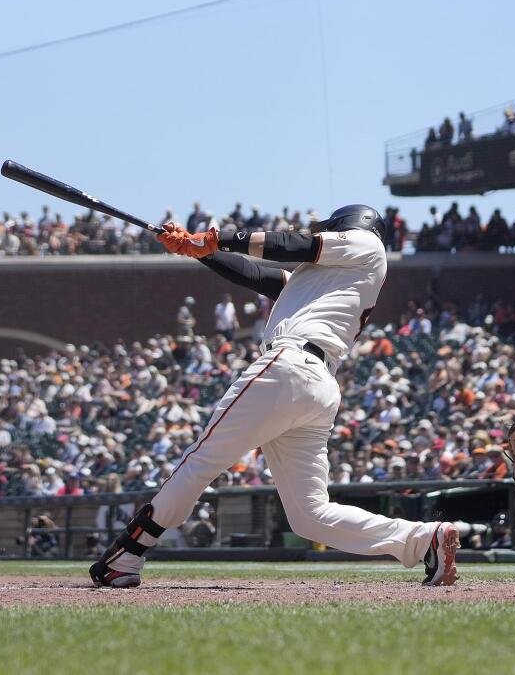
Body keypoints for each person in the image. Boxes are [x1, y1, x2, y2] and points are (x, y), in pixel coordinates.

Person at [90, 204, 467, 589]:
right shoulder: (326, 280)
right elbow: (256, 273)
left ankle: (128, 553)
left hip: (290, 366)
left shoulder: (366, 244)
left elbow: (294, 244)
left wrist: (220, 237)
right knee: (310, 515)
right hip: (315, 385)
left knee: (202, 459)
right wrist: (199, 250)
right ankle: (423, 540)